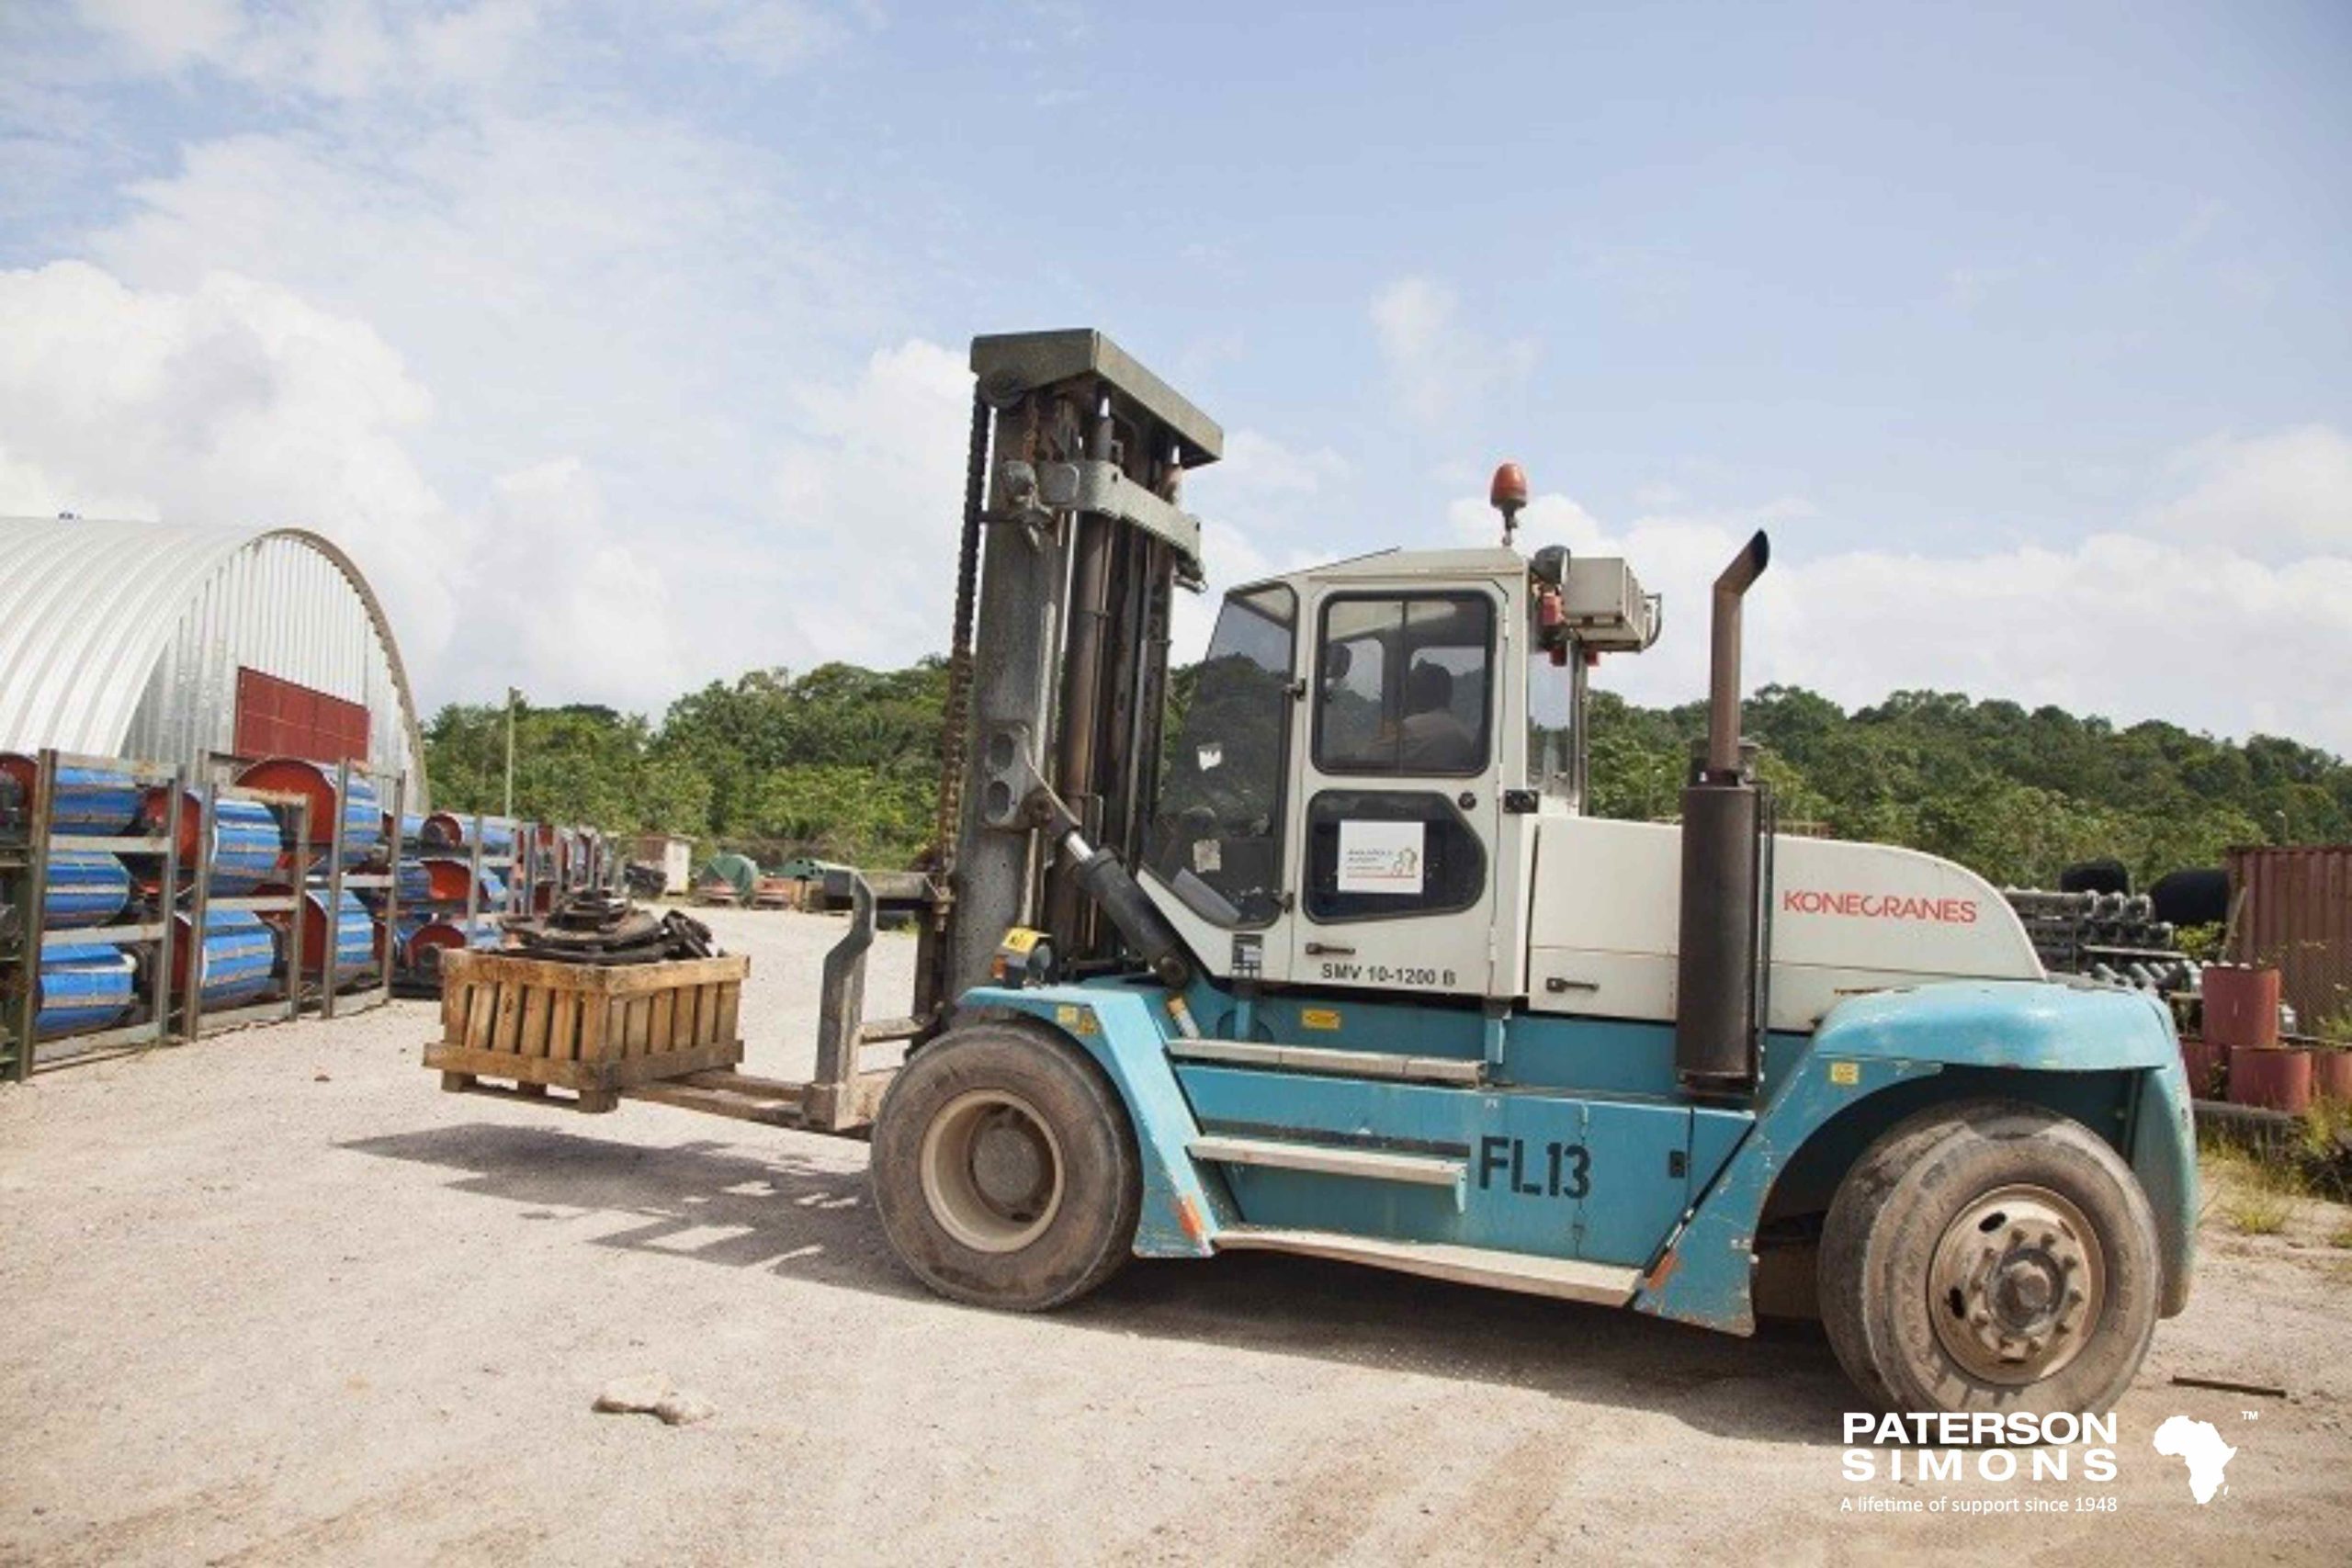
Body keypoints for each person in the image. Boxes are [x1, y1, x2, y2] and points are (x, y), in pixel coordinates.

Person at [1398, 660, 1476, 771]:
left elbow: (1372, 757)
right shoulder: (1465, 731)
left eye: (1408, 691)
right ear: (1448, 694)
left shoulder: (1408, 728)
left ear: (1414, 695)